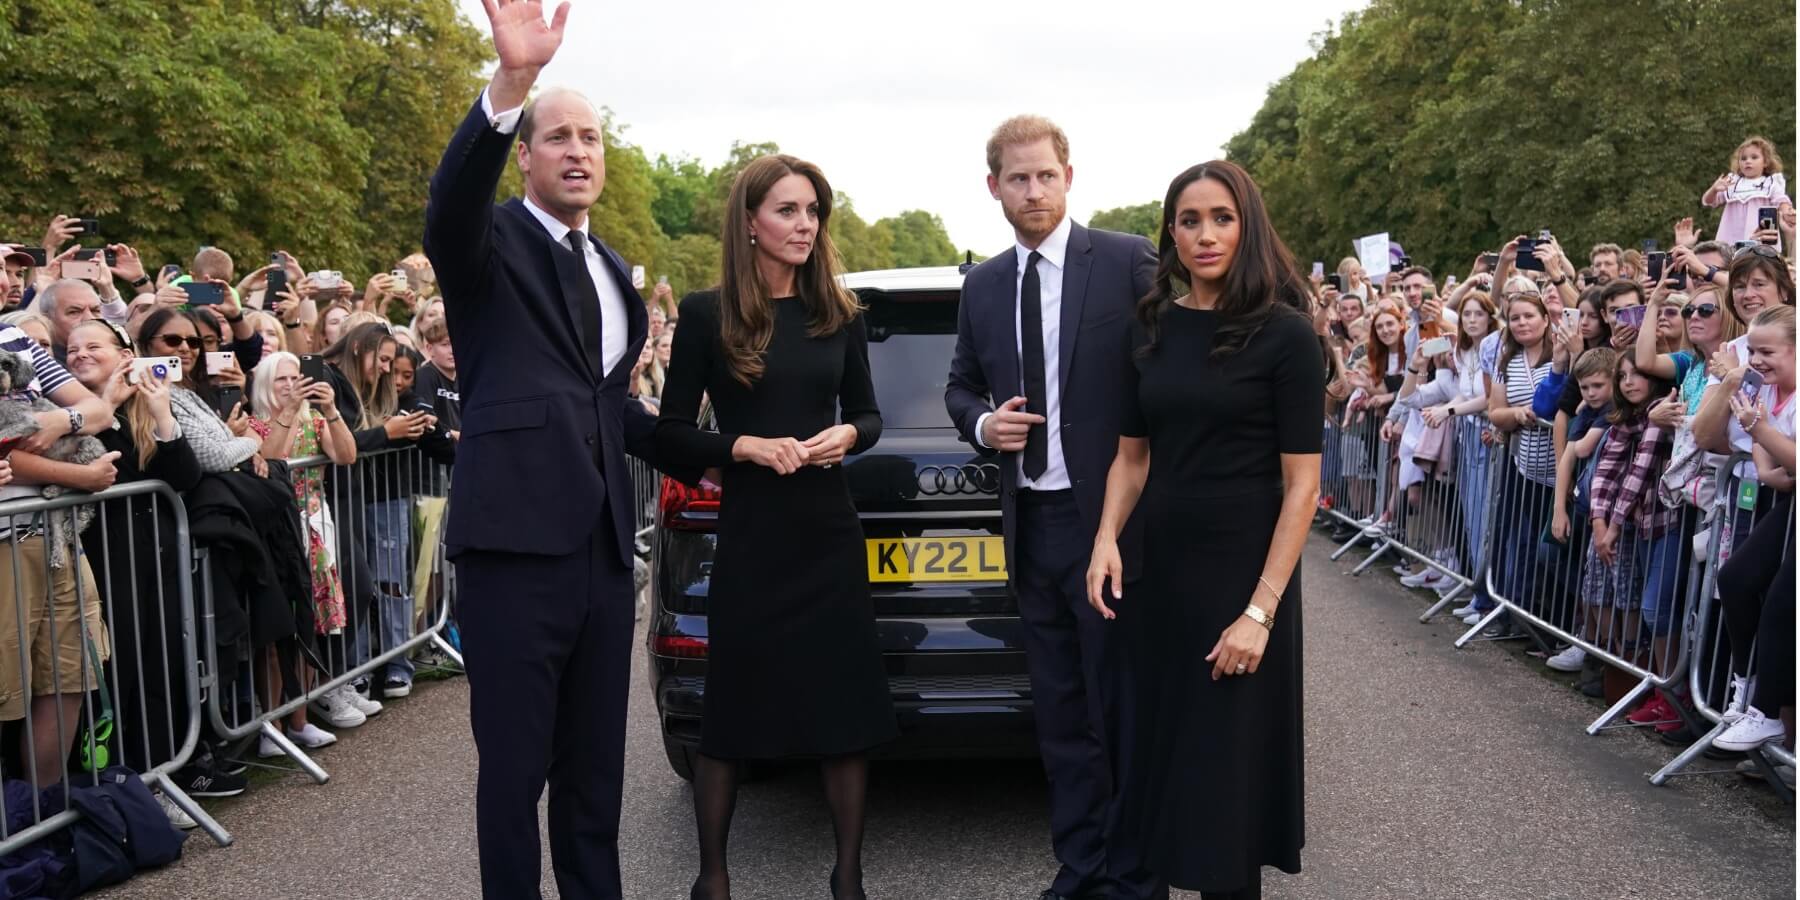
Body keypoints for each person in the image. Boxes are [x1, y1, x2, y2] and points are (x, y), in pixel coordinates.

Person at [421, 1, 670, 895]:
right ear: (524, 155)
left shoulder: (613, 272)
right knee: (515, 778)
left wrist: (738, 451)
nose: (577, 151)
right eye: (556, 137)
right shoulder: (488, 246)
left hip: (604, 560)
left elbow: (617, 416)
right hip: (515, 555)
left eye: (591, 138)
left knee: (595, 782)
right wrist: (511, 82)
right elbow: (448, 208)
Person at [655, 154, 893, 900]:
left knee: (843, 705)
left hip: (827, 530)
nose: (804, 225)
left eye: (813, 211)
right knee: (733, 704)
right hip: (755, 533)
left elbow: (868, 415)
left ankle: (848, 878)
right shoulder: (705, 314)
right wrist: (742, 447)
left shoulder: (837, 313)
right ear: (750, 224)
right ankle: (713, 879)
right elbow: (668, 434)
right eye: (787, 210)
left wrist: (846, 438)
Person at [1085, 160, 1320, 900]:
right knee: (1168, 774)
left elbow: (1303, 486)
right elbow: (1130, 459)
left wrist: (1260, 611)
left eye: (1221, 217)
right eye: (1189, 220)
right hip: (1161, 580)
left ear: (1246, 226)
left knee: (1228, 793)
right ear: (1171, 233)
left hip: (1243, 579)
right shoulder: (1150, 327)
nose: (1205, 234)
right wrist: (1104, 540)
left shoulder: (1286, 337)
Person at [943, 114, 1158, 900]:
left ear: (1070, 177)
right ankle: (1082, 865)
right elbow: (960, 383)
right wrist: (981, 423)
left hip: (1112, 528)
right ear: (993, 186)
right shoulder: (986, 284)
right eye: (1017, 178)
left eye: (1045, 176)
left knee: (1119, 709)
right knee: (1061, 713)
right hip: (1030, 523)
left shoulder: (1129, 261)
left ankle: (1136, 875)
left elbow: (1170, 375)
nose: (1032, 191)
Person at [248, 350, 358, 756]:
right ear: (265, 385)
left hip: (314, 528)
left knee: (311, 625)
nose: (292, 384)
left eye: (297, 376)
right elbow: (272, 456)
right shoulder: (252, 420)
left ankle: (300, 720)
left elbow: (345, 455)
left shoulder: (314, 417)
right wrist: (291, 409)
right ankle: (271, 726)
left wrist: (330, 409)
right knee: (279, 632)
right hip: (276, 531)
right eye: (282, 379)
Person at [1712, 305, 1796, 753]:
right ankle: (1745, 683)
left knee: (1784, 602)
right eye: (1752, 349)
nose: (1757, 360)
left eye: (1768, 351)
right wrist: (1763, 439)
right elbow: (1766, 462)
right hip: (1788, 503)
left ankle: (1766, 713)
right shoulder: (1765, 392)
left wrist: (1762, 430)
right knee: (1736, 579)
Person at [1702, 137, 1793, 249]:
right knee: (1728, 263)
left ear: (1765, 162)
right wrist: (1714, 189)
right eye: (1743, 158)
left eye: (1754, 157)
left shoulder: (1771, 183)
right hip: (1730, 238)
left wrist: (1787, 212)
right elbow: (1709, 201)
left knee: (1759, 264)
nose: (1748, 161)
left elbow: (1781, 200)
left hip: (1760, 238)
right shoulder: (1732, 182)